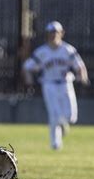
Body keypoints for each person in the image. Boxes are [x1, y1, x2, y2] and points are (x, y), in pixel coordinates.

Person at [22, 21, 89, 150]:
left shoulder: (67, 49)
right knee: (54, 114)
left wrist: (83, 78)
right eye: (51, 33)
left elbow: (79, 66)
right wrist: (29, 81)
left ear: (61, 33)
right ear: (47, 35)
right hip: (49, 84)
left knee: (71, 116)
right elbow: (27, 67)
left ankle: (63, 125)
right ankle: (55, 143)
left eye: (56, 32)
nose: (53, 35)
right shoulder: (42, 52)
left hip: (65, 83)